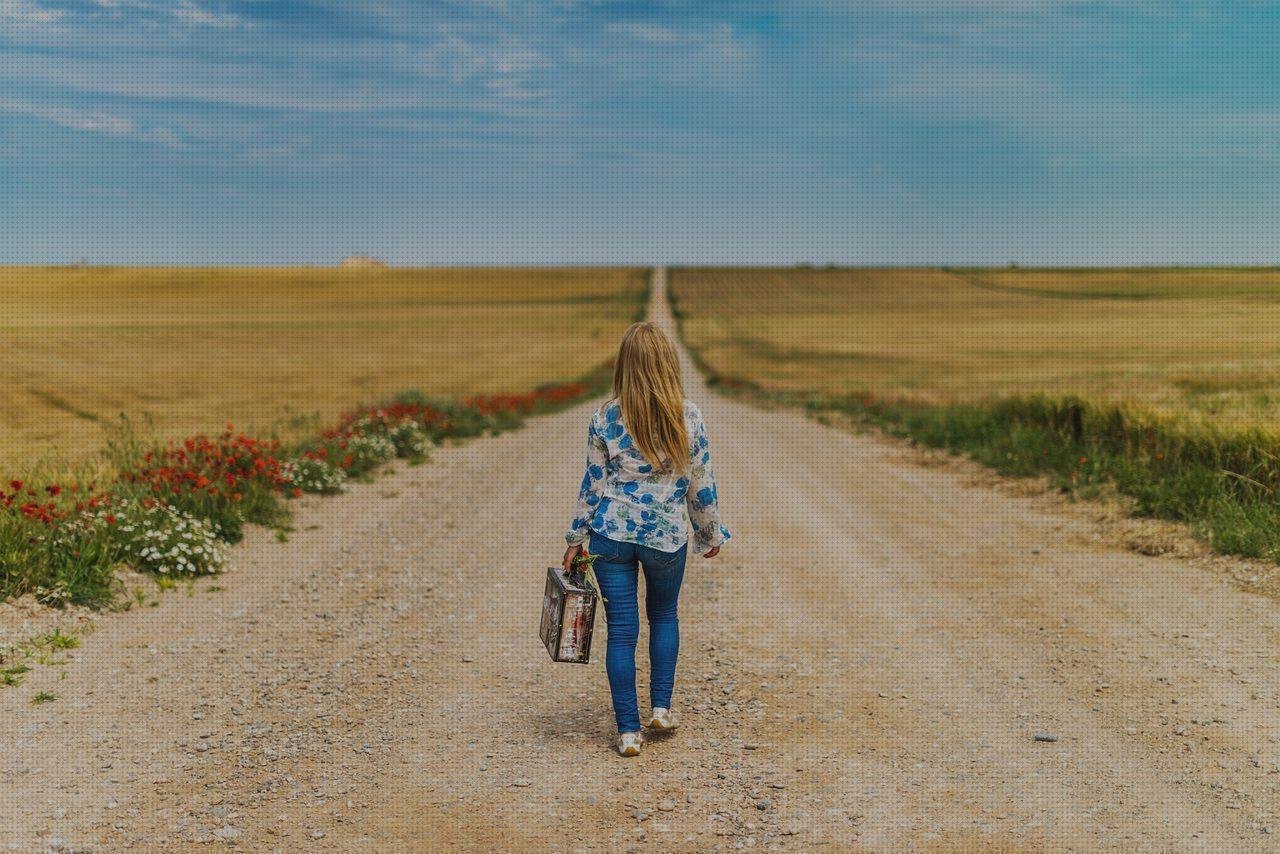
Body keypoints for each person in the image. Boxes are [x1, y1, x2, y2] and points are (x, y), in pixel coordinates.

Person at [563, 321, 731, 757]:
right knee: (664, 616)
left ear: (625, 367)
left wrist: (575, 537)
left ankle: (628, 732)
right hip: (665, 537)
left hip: (611, 535)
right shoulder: (688, 415)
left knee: (621, 632)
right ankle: (660, 707)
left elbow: (592, 484)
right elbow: (702, 483)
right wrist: (709, 531)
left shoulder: (605, 416)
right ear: (667, 365)